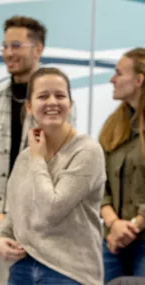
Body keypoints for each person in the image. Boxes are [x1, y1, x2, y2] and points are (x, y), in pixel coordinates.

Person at [0, 67, 106, 285]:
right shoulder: (27, 156)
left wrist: (38, 159)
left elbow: (50, 211)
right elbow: (16, 213)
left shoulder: (88, 151)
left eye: (60, 95)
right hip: (23, 267)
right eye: (43, 96)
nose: (52, 102)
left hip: (69, 272)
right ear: (29, 106)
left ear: (70, 105)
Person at [0, 16, 47, 284]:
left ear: (38, 49)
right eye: (5, 46)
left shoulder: (53, 99)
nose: (8, 53)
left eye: (16, 45)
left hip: (38, 219)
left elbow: (50, 165)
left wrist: (14, 213)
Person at [99, 47, 145, 283]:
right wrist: (114, 224)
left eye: (118, 73)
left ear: (139, 80)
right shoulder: (112, 126)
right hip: (113, 240)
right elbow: (97, 184)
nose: (112, 79)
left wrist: (134, 225)